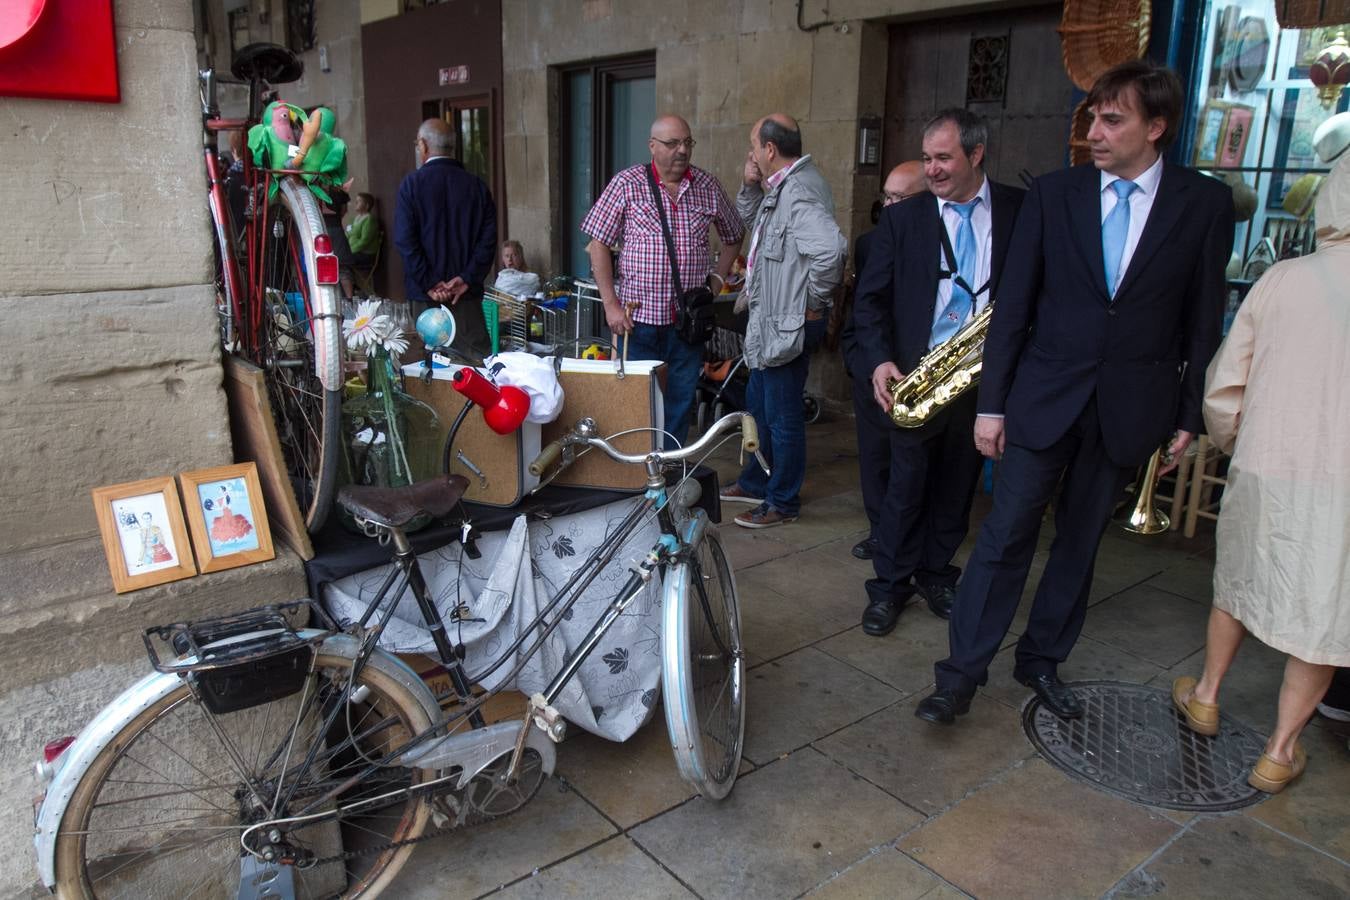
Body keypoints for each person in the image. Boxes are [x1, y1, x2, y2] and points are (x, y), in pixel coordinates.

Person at [916, 60, 1234, 725]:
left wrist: (1188, 413)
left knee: (1081, 544)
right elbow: (1014, 308)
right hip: (1043, 399)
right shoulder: (1055, 196)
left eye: (1112, 119)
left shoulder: (1202, 204)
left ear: (1157, 127)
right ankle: (960, 675)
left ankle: (1040, 661)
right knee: (1005, 537)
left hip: (1130, 407)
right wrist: (993, 403)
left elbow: (1202, 318)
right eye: (1092, 115)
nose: (1094, 129)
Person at [1170, 151, 1350, 792]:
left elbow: (1224, 385)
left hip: (1269, 463)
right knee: (1326, 616)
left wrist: (1236, 442)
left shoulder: (1281, 279)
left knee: (1241, 582)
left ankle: (1209, 694)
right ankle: (1280, 749)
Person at [852, 111, 1026, 634]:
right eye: (927, 158)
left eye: (943, 157)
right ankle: (889, 585)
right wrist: (880, 359)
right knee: (905, 487)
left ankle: (934, 571)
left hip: (983, 378)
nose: (932, 170)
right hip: (918, 377)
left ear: (976, 154)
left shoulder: (1020, 210)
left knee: (959, 484)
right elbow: (869, 302)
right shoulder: (904, 220)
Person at [581, 115, 744, 447]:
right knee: (634, 403)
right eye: (673, 143)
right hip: (636, 322)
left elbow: (734, 234)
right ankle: (637, 475)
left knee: (680, 402)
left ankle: (671, 475)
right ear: (652, 146)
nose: (682, 150)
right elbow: (597, 243)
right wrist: (611, 305)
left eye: (687, 142)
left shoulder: (707, 186)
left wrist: (716, 279)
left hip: (687, 323)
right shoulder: (628, 183)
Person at [718, 114, 847, 529]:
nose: (751, 153)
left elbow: (831, 253)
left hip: (787, 323)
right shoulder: (782, 186)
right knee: (758, 405)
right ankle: (757, 481)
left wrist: (812, 304)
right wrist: (750, 182)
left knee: (782, 414)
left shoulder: (800, 192)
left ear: (770, 150)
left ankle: (782, 501)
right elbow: (748, 221)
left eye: (754, 146)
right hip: (770, 322)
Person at [839, 161, 925, 561]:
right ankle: (880, 533)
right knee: (875, 458)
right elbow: (860, 311)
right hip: (872, 370)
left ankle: (913, 539)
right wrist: (859, 363)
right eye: (886, 197)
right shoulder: (869, 244)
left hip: (923, 372)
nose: (889, 206)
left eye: (900, 198)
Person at [394, 118, 496, 357]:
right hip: (466, 298)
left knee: (428, 369)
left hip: (424, 298)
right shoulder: (477, 187)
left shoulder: (411, 185)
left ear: (423, 146)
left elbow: (406, 240)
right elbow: (487, 241)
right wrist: (466, 278)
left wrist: (429, 282)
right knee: (474, 367)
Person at [345, 192, 382, 266]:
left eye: (359, 201)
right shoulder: (356, 218)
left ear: (367, 205)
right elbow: (348, 232)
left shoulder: (369, 220)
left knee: (341, 260)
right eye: (356, 201)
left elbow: (364, 241)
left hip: (365, 255)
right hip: (353, 252)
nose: (356, 203)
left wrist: (350, 251)